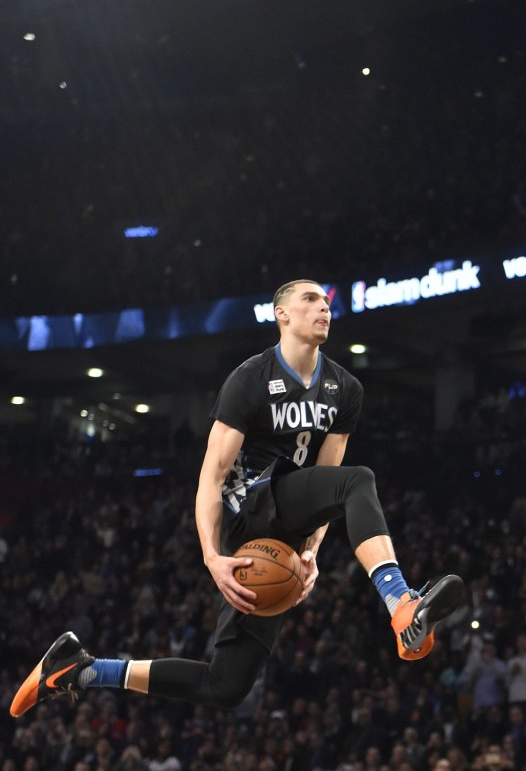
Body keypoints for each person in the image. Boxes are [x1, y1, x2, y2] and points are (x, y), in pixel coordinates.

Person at [10, 279, 465, 718]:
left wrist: (310, 553)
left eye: (326, 300)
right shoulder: (250, 378)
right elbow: (212, 476)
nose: (324, 306)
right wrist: (211, 555)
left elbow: (325, 480)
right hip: (248, 508)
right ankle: (399, 601)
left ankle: (80, 671)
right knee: (359, 479)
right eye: (311, 299)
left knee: (225, 685)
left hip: (285, 523)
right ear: (281, 314)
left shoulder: (346, 389)